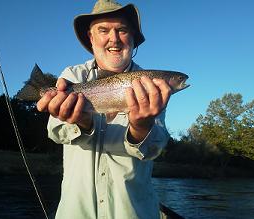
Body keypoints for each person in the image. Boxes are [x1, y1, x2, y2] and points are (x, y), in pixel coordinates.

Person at [37, 0, 172, 218]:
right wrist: (82, 121)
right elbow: (56, 132)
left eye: (122, 30)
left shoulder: (150, 85)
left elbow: (154, 149)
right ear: (91, 38)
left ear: (133, 38)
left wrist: (140, 126)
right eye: (103, 30)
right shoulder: (73, 76)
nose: (114, 38)